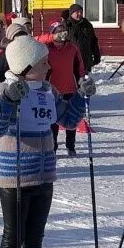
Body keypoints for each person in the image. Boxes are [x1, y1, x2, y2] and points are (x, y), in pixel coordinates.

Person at [0, 36, 87, 248]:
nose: (48, 66)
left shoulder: (48, 90)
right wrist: (8, 102)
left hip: (44, 172)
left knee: (35, 238)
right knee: (14, 236)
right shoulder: (4, 89)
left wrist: (81, 95)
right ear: (26, 65)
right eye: (43, 62)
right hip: (16, 173)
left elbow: (67, 120)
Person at [42, 27, 86, 155]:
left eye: (64, 30)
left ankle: (70, 146)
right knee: (53, 121)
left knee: (71, 118)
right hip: (52, 90)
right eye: (58, 31)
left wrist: (82, 80)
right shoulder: (46, 48)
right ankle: (53, 147)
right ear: (52, 34)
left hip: (70, 87)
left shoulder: (73, 48)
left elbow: (79, 66)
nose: (62, 33)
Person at [66, 3, 102, 75]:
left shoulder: (87, 25)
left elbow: (93, 41)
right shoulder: (66, 25)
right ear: (72, 13)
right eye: (77, 12)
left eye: (81, 12)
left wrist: (97, 55)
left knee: (84, 82)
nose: (80, 14)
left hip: (85, 59)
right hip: (71, 59)